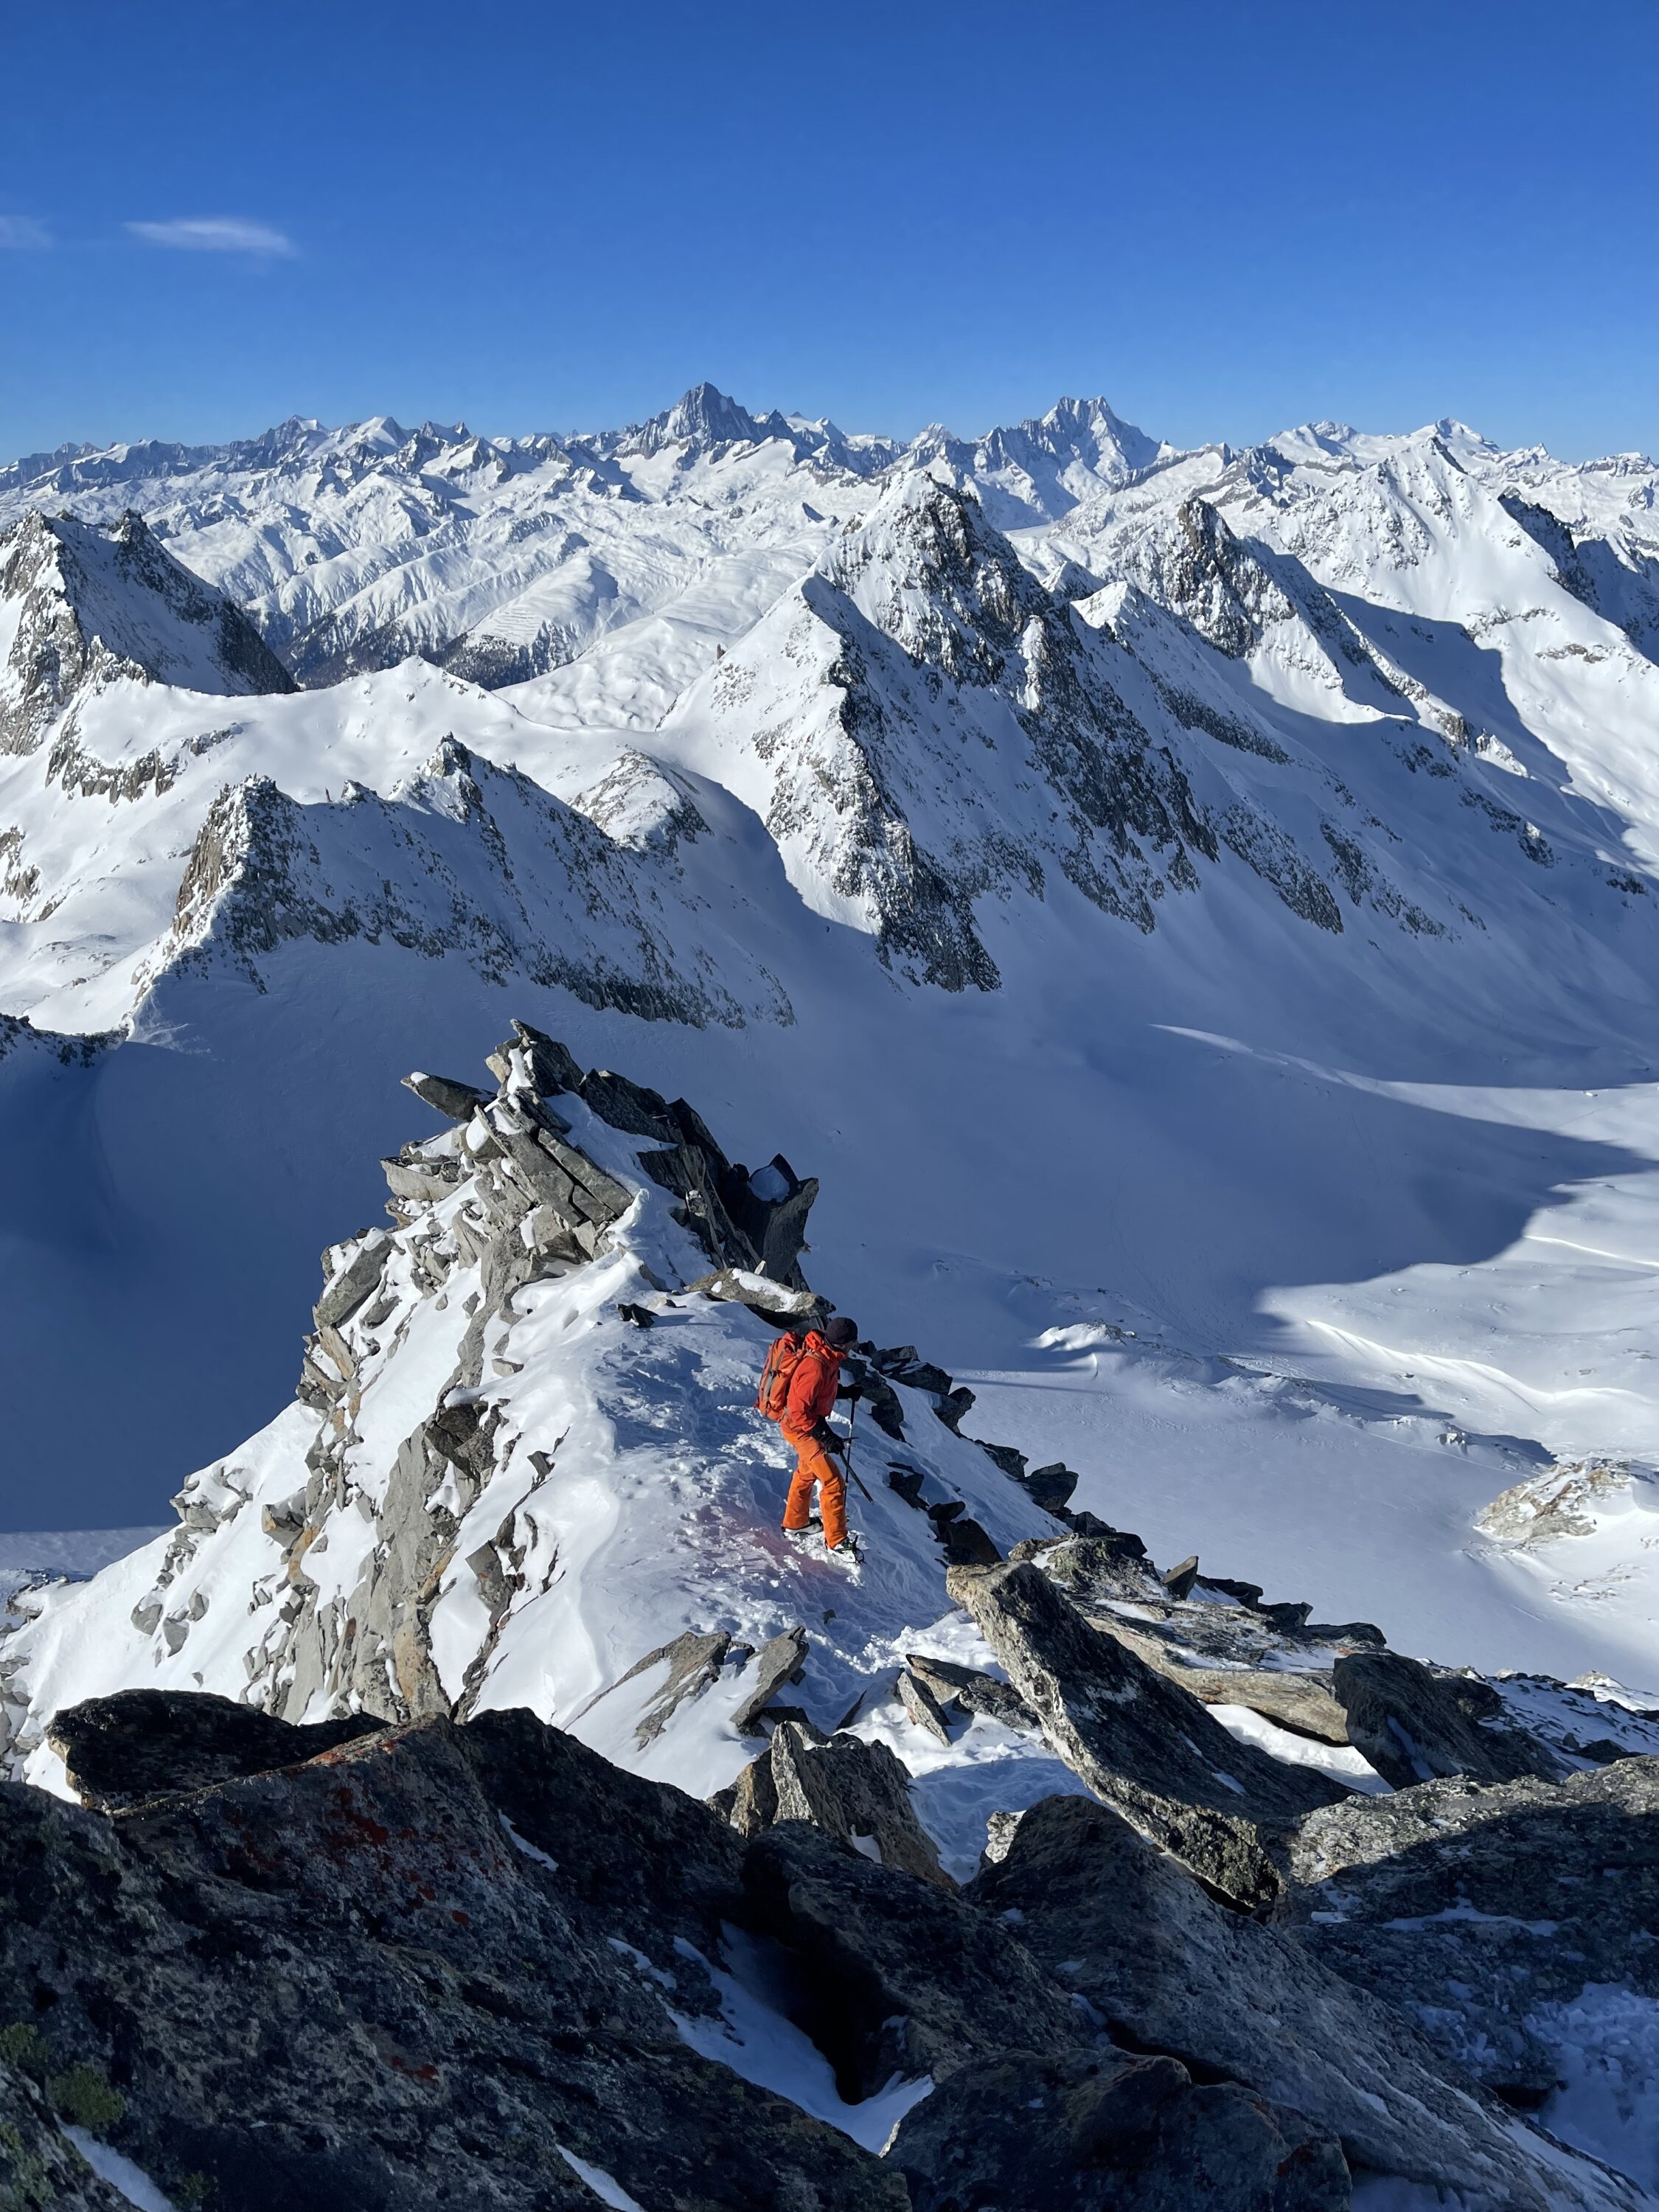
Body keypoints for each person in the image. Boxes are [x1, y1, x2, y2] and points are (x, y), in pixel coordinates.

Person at [771, 1314, 860, 1552]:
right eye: (853, 1342)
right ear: (845, 1343)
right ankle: (837, 1541)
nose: (854, 1346)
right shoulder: (816, 1365)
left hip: (804, 1426)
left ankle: (795, 1523)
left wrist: (845, 1392)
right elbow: (798, 1410)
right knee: (833, 1481)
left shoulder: (827, 1356)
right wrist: (825, 1435)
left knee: (806, 1473)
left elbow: (817, 1391)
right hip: (799, 1429)